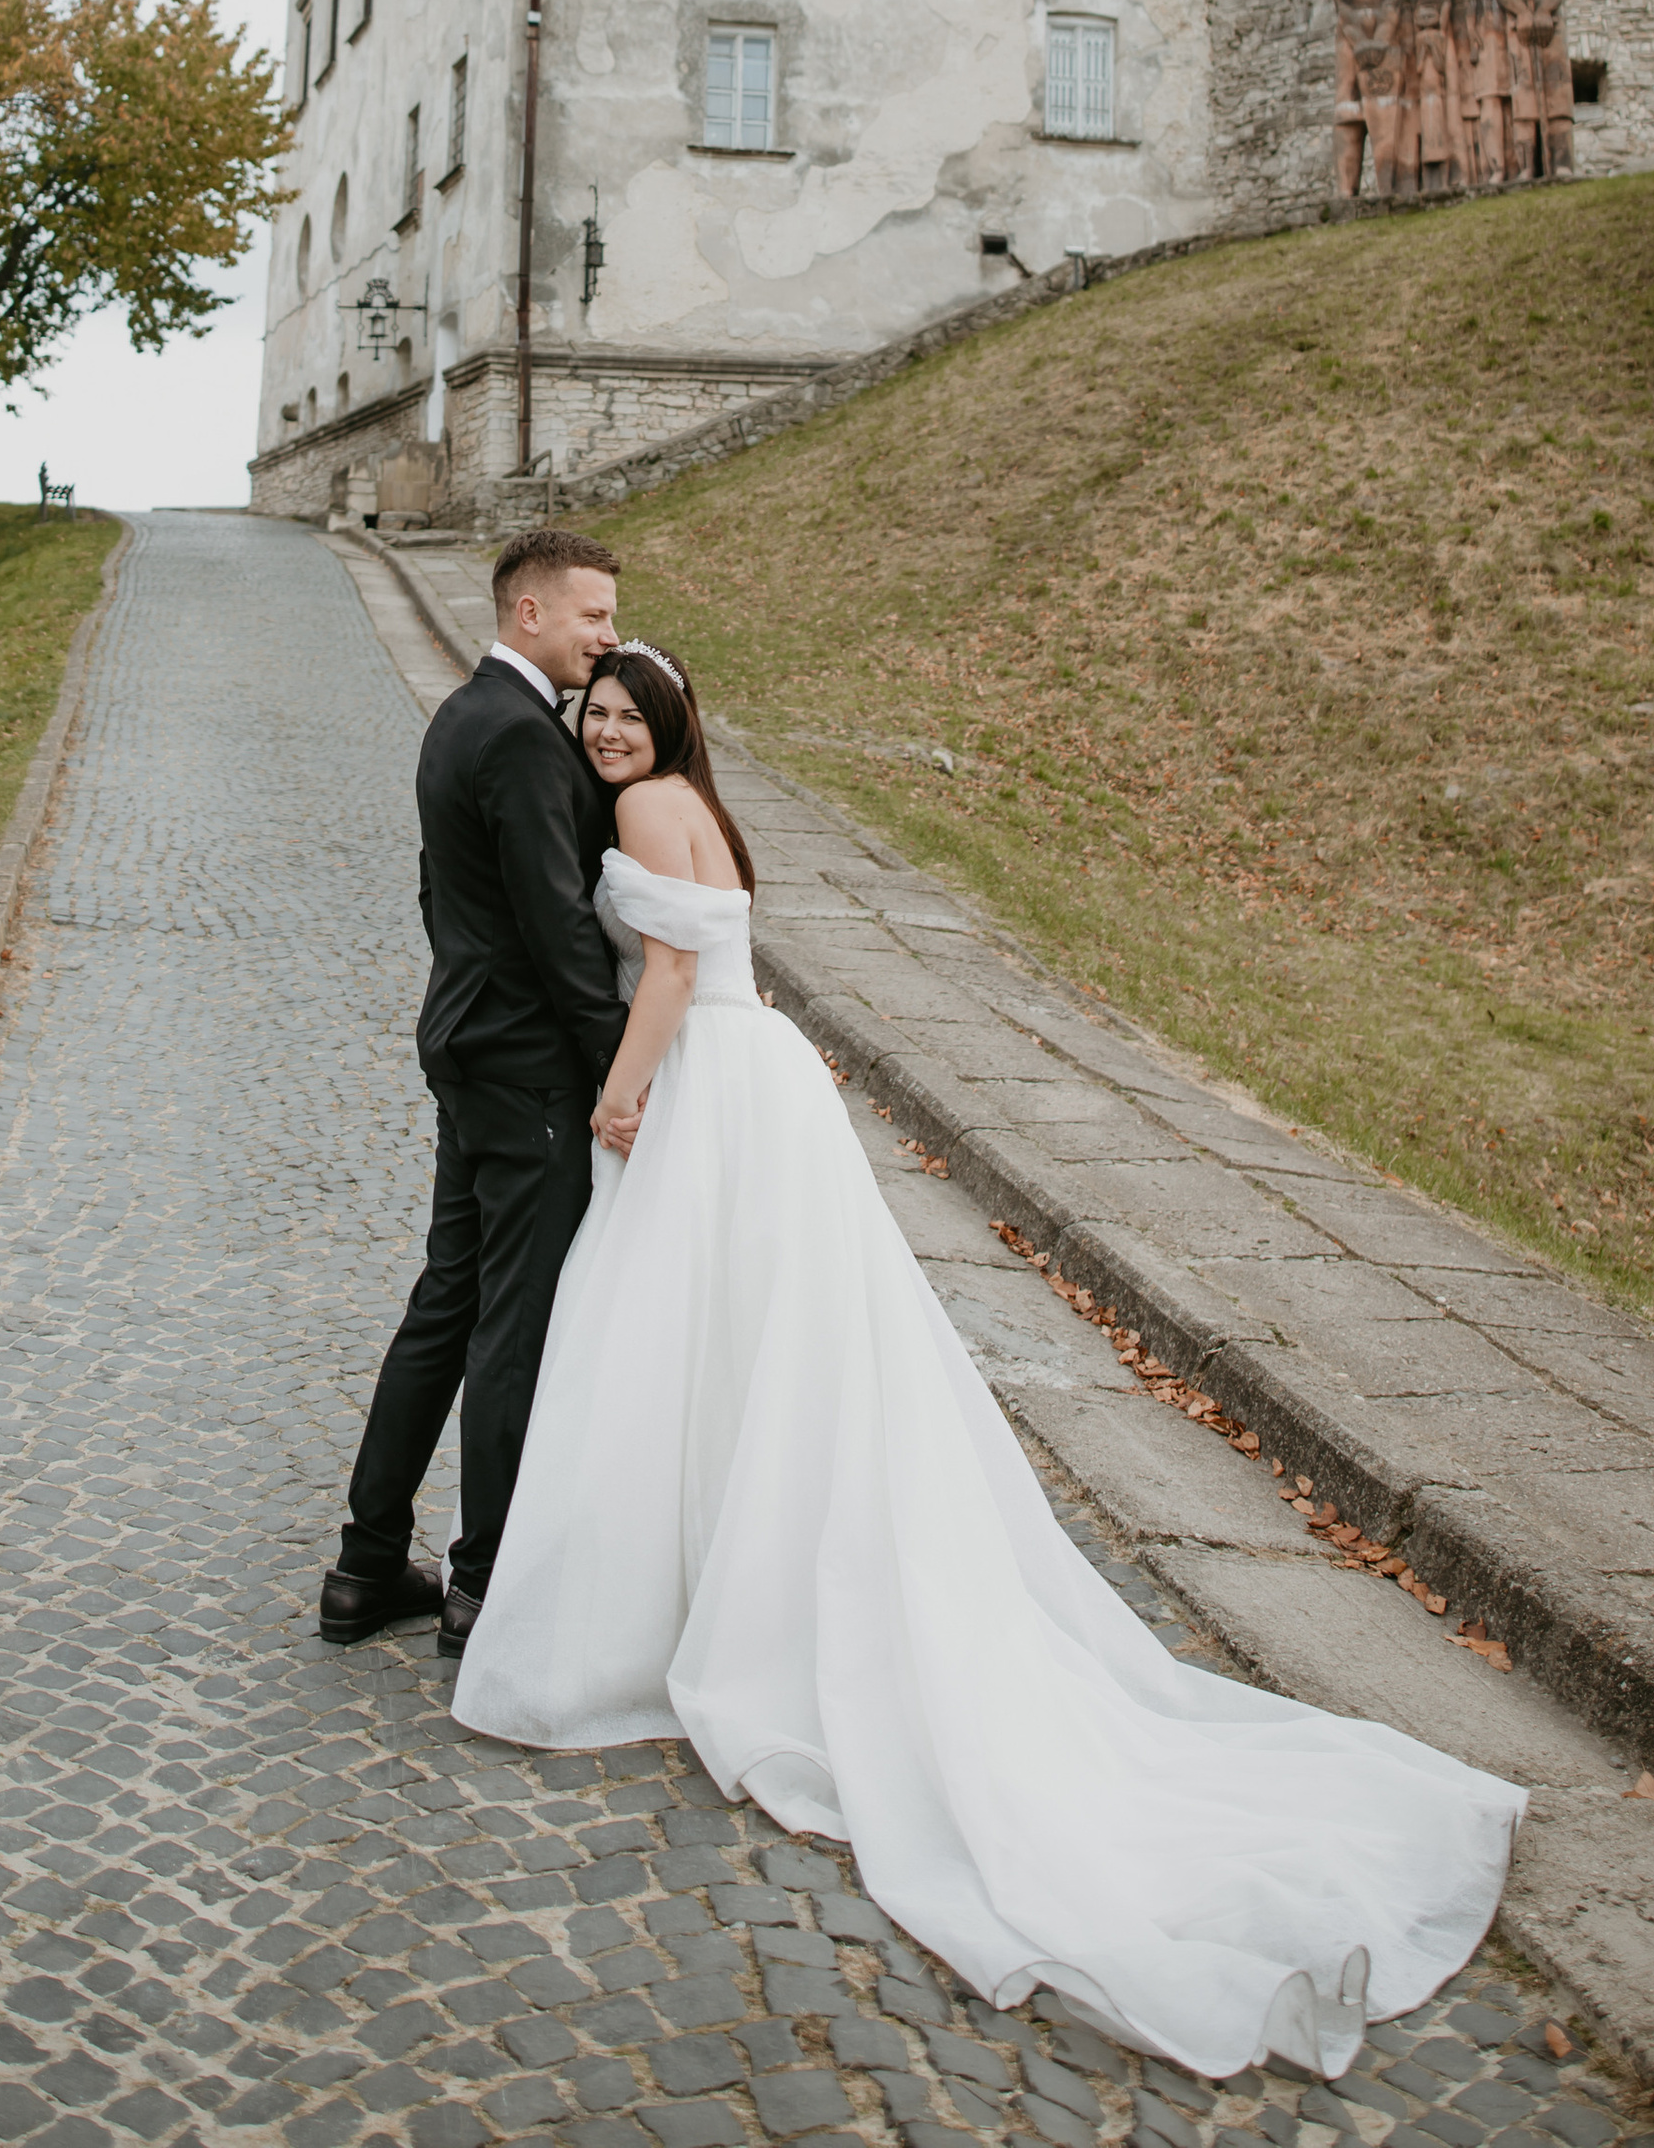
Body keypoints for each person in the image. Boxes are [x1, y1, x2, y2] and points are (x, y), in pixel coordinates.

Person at [451, 642, 1524, 2087]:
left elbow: (673, 964)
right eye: (596, 718)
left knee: (674, 1341)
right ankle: (720, 1568)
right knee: (759, 1353)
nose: (608, 736)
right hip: (760, 1084)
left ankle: (671, 1604)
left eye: (630, 719)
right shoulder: (700, 804)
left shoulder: (647, 818)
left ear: (672, 727)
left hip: (706, 1083)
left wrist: (623, 1089)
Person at [319, 525, 628, 1664]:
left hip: (465, 1045)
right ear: (529, 613)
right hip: (524, 1066)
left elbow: (436, 889)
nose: (608, 636)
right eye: (592, 615)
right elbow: (557, 928)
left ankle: (364, 1568)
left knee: (447, 1299)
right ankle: (481, 1589)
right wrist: (618, 1070)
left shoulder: (464, 716)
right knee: (509, 1320)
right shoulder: (518, 737)